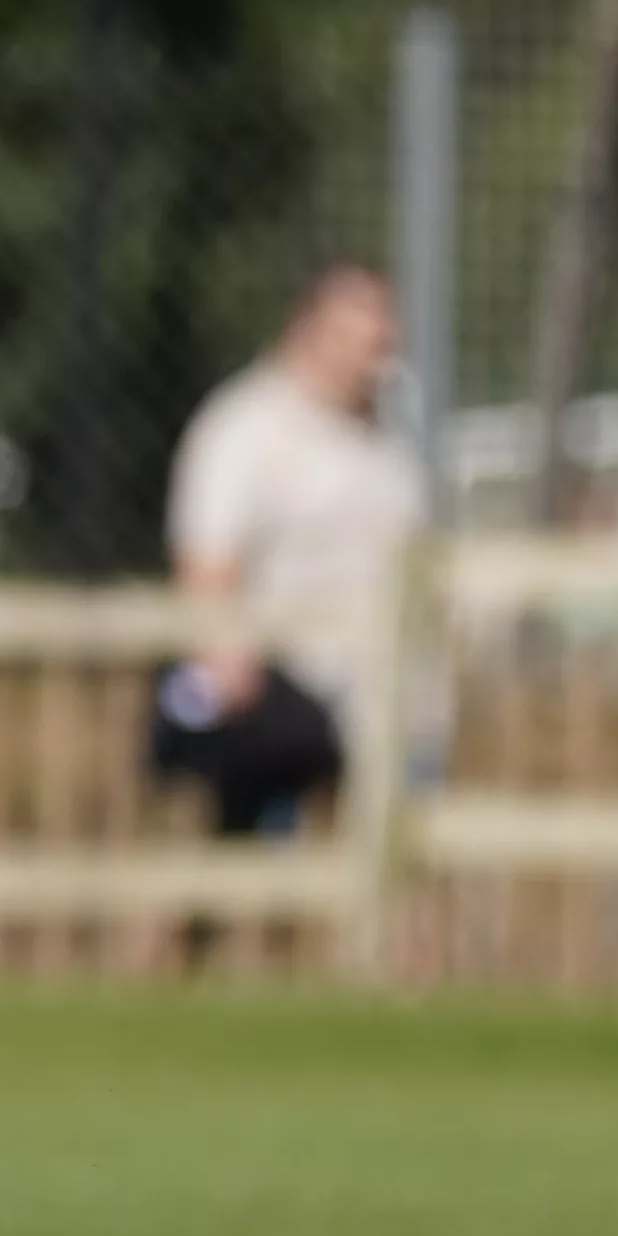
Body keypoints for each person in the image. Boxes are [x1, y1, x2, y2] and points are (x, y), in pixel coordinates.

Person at [146, 261, 415, 835]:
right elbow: (207, 561)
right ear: (306, 329)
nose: (376, 353)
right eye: (356, 334)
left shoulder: (382, 444)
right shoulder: (246, 428)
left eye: (382, 337)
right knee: (208, 868)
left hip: (374, 701)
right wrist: (224, 657)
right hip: (279, 701)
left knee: (391, 878)